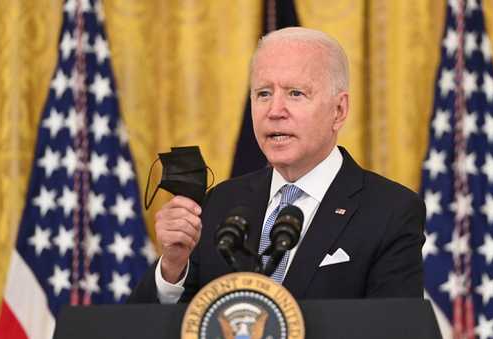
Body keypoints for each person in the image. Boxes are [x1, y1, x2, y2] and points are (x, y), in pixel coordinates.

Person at [128, 27, 425, 304]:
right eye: (263, 94)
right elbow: (153, 324)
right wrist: (173, 266)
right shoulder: (221, 203)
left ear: (339, 110)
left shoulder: (391, 211)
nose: (274, 111)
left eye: (296, 93)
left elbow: (394, 328)